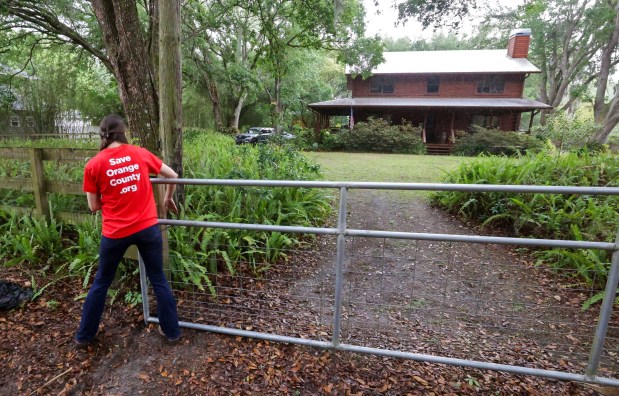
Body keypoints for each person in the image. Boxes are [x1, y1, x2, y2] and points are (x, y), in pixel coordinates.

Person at [75, 114, 181, 347]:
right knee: (159, 279)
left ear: (102, 135)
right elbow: (172, 175)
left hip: (115, 233)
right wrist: (167, 199)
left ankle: (84, 336)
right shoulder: (139, 153)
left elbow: (93, 206)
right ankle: (172, 332)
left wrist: (115, 195)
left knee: (102, 281)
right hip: (148, 228)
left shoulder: (94, 165)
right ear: (123, 132)